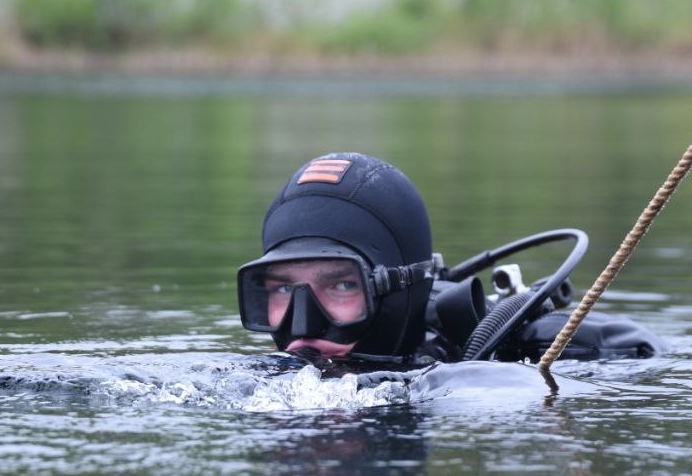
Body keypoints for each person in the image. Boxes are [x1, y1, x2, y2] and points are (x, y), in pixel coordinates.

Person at [237, 152, 662, 366]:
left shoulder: (489, 360)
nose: (301, 325)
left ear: (398, 292)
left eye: (343, 284)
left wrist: (535, 347)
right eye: (282, 289)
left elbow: (644, 350)